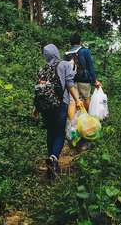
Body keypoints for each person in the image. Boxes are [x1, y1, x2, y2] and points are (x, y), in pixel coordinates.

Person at [33, 44, 83, 179]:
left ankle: (51, 161)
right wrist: (77, 99)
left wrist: (36, 108)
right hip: (60, 104)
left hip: (45, 106)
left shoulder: (42, 69)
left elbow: (39, 90)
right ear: (56, 52)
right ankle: (54, 158)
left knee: (50, 132)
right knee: (60, 133)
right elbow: (69, 83)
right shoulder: (64, 65)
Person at [66, 32, 101, 120]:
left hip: (71, 81)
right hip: (84, 80)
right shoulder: (85, 51)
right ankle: (88, 121)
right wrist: (94, 81)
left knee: (73, 101)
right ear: (80, 41)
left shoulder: (67, 53)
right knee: (86, 98)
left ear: (70, 42)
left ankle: (72, 125)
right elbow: (90, 67)